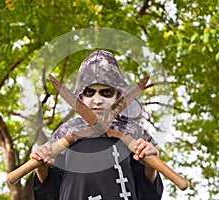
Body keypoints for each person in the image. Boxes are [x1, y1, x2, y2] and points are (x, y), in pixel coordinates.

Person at [30, 50, 163, 200]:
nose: (97, 100)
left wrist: (151, 166)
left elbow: (148, 194)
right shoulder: (65, 133)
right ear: (80, 97)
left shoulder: (133, 134)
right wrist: (41, 169)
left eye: (106, 92)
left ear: (118, 96)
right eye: (89, 92)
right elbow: (49, 193)